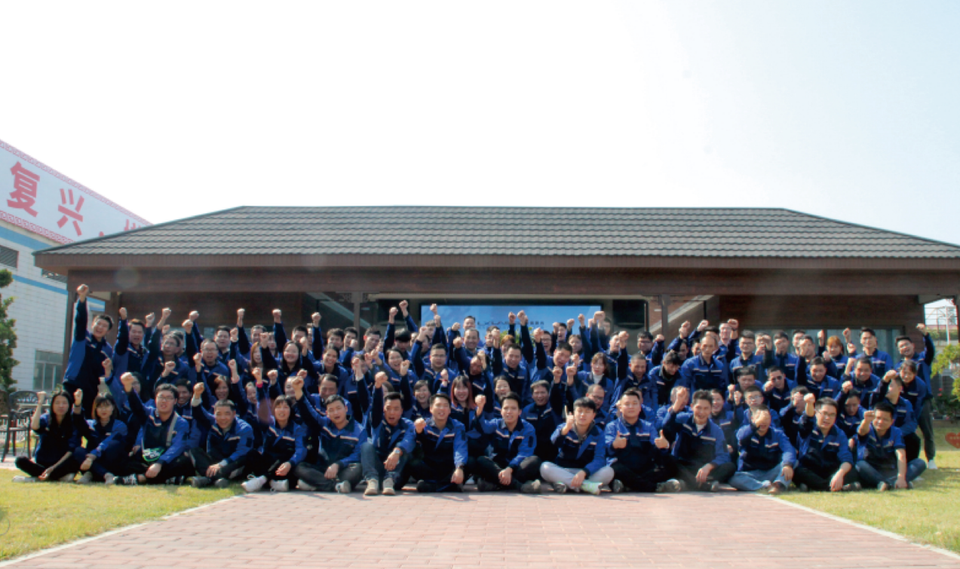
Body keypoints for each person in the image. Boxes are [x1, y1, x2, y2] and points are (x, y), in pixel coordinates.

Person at [291, 375, 366, 493]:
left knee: (359, 468)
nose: (335, 413)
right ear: (327, 413)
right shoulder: (324, 423)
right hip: (323, 469)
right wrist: (298, 390)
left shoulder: (359, 430)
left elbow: (357, 455)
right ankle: (335, 486)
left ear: (346, 409)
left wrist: (338, 465)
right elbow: (308, 413)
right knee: (299, 468)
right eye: (331, 410)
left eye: (338, 408)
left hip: (343, 469)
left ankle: (319, 484)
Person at [116, 376, 195, 485]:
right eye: (161, 397)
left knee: (183, 462)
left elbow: (178, 446)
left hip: (166, 460)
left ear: (175, 401)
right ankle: (167, 479)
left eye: (168, 398)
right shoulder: (148, 414)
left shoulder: (181, 423)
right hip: (147, 458)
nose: (164, 401)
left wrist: (159, 463)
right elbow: (136, 406)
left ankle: (142, 478)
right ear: (155, 399)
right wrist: (128, 386)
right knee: (123, 460)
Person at [660, 388, 735, 491]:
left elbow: (723, 456)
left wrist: (708, 466)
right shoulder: (683, 419)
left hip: (702, 468)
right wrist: (677, 403)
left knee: (730, 466)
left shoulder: (716, 430)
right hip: (682, 465)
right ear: (692, 407)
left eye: (706, 408)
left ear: (711, 409)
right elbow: (666, 425)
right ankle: (702, 485)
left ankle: (688, 483)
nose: (701, 412)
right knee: (668, 460)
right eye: (698, 408)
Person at [605, 388, 676, 493]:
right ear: (620, 407)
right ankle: (654, 487)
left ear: (640, 407)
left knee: (667, 464)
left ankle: (629, 485)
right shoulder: (612, 426)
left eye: (635, 404)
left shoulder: (648, 426)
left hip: (644, 468)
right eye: (627, 404)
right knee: (615, 469)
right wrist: (614, 445)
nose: (631, 407)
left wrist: (663, 446)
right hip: (623, 467)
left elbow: (655, 448)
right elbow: (606, 449)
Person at [539, 397, 613, 495]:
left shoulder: (598, 433)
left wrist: (584, 472)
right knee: (545, 467)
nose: (583, 415)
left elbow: (599, 459)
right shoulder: (564, 427)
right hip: (564, 470)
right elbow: (553, 443)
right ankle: (586, 486)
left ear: (593, 415)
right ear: (573, 413)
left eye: (587, 412)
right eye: (579, 411)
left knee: (609, 471)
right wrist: (566, 429)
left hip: (586, 472)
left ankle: (568, 485)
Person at [470, 392, 542, 493]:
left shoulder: (528, 428)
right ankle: (520, 486)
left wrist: (510, 468)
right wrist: (480, 408)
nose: (509, 412)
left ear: (520, 412)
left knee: (534, 461)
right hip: (498, 467)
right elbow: (482, 427)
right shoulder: (496, 424)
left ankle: (496, 485)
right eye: (506, 408)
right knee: (481, 460)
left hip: (517, 467)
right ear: (501, 411)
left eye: (513, 408)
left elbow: (525, 453)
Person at [188, 385, 255, 488]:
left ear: (234, 414)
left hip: (233, 461)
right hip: (216, 461)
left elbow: (242, 452)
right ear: (214, 414)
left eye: (227, 414)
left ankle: (207, 479)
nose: (222, 418)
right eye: (219, 414)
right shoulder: (213, 422)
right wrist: (196, 395)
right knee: (194, 451)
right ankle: (216, 479)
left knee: (244, 458)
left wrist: (222, 464)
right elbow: (198, 413)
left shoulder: (244, 428)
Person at [63, 285, 115, 416]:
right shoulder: (82, 337)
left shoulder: (107, 349)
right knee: (66, 417)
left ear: (108, 331)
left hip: (90, 388)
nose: (100, 327)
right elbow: (80, 320)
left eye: (104, 326)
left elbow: (105, 374)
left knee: (85, 419)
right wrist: (82, 298)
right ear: (92, 324)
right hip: (72, 383)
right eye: (98, 323)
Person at [793, 396, 860, 492]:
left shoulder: (839, 434)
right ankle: (834, 487)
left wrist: (839, 474)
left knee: (852, 472)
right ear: (816, 413)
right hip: (810, 469)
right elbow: (807, 418)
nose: (828, 418)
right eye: (824, 413)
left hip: (830, 471)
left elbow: (846, 459)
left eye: (832, 415)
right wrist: (809, 403)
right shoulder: (808, 429)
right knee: (798, 471)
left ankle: (815, 486)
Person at [855, 401, 926, 491]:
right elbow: (861, 431)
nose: (880, 422)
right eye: (878, 418)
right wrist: (866, 421)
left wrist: (901, 477)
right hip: (871, 470)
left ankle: (889, 483)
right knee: (859, 464)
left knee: (920, 463)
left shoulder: (896, 432)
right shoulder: (867, 427)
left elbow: (901, 454)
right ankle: (886, 483)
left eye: (885, 419)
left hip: (890, 470)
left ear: (892, 421)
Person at [13, 391, 80, 483]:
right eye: (57, 403)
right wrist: (40, 403)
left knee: (76, 460)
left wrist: (53, 468)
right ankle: (54, 477)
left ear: (69, 405)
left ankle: (37, 479)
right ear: (52, 405)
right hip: (43, 462)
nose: (61, 406)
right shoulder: (46, 418)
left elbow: (71, 450)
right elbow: (34, 426)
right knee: (20, 460)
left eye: (64, 403)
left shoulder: (73, 422)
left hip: (61, 464)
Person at [729, 404, 796, 494]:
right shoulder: (745, 431)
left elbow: (788, 450)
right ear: (752, 419)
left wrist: (787, 464)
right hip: (750, 474)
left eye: (767, 418)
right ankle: (764, 486)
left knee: (792, 463)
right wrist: (756, 424)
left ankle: (779, 485)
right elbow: (741, 438)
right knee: (734, 479)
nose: (763, 421)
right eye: (759, 418)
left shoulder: (777, 434)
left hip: (771, 471)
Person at [407, 393, 468, 493]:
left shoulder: (458, 426)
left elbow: (460, 448)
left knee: (470, 462)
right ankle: (448, 486)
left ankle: (433, 487)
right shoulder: (424, 425)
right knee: (412, 463)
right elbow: (417, 440)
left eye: (445, 406)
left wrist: (459, 467)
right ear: (431, 409)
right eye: (438, 405)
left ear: (449, 410)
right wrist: (418, 430)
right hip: (429, 467)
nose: (442, 409)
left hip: (449, 468)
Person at [361, 389, 416, 496]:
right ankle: (372, 481)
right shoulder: (378, 422)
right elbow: (375, 405)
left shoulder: (407, 425)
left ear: (401, 411)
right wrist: (377, 387)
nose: (392, 412)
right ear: (383, 409)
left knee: (404, 450)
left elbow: (409, 441)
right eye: (388, 408)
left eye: (396, 409)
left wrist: (397, 451)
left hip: (397, 475)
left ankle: (389, 481)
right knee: (366, 446)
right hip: (378, 470)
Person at [71, 390, 128, 484]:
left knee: (114, 445)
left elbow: (107, 442)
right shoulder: (90, 424)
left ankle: (95, 474)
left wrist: (93, 456)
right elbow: (78, 422)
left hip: (109, 462)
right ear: (95, 409)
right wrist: (77, 404)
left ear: (113, 407)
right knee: (78, 451)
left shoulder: (120, 426)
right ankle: (101, 474)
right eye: (100, 407)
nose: (103, 410)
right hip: (92, 461)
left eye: (106, 406)